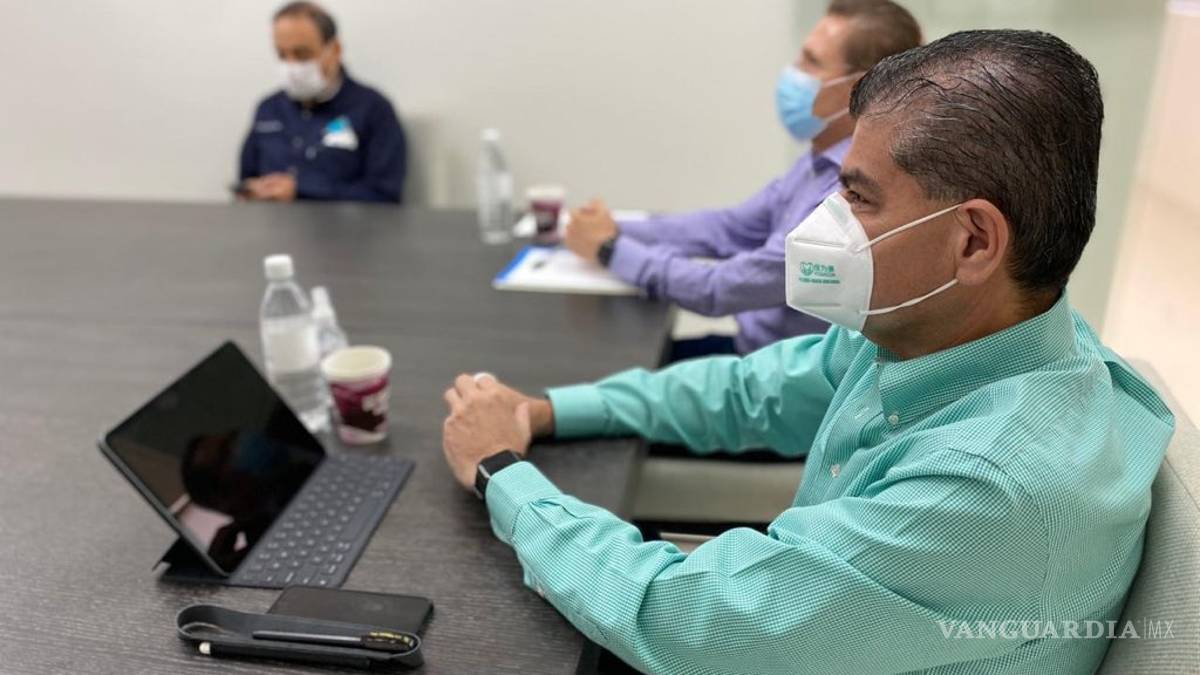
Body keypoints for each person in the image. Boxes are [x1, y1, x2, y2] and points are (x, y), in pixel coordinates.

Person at [440, 29, 1176, 674]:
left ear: (974, 241)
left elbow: (677, 621)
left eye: (858, 196)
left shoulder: (987, 492)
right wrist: (547, 410)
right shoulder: (955, 331)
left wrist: (501, 471)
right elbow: (754, 391)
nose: (824, 221)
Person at [563, 0, 921, 360]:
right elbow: (727, 228)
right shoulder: (818, 162)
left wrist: (610, 248)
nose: (793, 73)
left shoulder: (845, 194)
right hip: (754, 356)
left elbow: (718, 290)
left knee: (599, 371)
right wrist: (611, 227)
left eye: (811, 62)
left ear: (858, 87)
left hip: (773, 379)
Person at [237, 2, 407, 204]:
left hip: (342, 224)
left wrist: (301, 191)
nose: (291, 66)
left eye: (302, 54)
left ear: (334, 50)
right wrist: (251, 190)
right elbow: (245, 181)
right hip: (270, 222)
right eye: (282, 55)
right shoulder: (268, 108)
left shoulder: (373, 109)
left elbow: (385, 195)